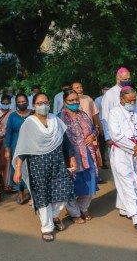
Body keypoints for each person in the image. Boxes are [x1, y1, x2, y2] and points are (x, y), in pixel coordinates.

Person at [12, 93, 75, 242]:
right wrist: (18, 169)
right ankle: (47, 227)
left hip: (58, 163)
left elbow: (66, 141)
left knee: (65, 188)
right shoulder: (29, 123)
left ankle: (53, 216)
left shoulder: (55, 120)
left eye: (46, 102)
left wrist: (71, 158)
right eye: (40, 103)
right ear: (34, 105)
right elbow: (22, 148)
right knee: (43, 195)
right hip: (38, 165)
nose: (44, 106)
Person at [108, 86, 137, 231]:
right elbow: (116, 136)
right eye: (130, 100)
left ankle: (123, 208)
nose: (132, 103)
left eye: (134, 100)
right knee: (129, 182)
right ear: (122, 99)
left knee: (132, 179)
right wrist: (133, 147)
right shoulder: (114, 113)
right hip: (122, 151)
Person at [59, 90, 98, 224]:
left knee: (90, 182)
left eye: (76, 100)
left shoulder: (84, 115)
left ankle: (83, 207)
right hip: (70, 156)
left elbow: (94, 129)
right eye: (71, 100)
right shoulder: (60, 118)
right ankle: (74, 212)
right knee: (70, 185)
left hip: (87, 154)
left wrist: (93, 135)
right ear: (65, 102)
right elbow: (60, 140)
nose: (75, 102)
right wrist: (68, 157)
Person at [101, 67, 137, 147]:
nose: (127, 81)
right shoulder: (110, 94)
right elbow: (105, 116)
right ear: (118, 78)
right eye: (125, 79)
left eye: (129, 79)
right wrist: (108, 137)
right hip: (118, 135)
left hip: (134, 132)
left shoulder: (132, 92)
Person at [72, 81, 104, 181]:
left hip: (91, 132)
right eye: (77, 88)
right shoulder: (71, 102)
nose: (80, 89)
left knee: (95, 152)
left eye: (81, 87)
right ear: (72, 90)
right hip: (77, 135)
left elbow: (94, 114)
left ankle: (96, 175)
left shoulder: (88, 99)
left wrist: (98, 127)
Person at [4, 94, 32, 203]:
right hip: (16, 146)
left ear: (27, 102)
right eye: (19, 102)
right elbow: (9, 133)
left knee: (31, 168)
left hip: (32, 146)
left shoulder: (33, 114)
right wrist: (7, 149)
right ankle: (20, 191)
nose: (21, 103)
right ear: (16, 103)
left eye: (23, 101)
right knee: (18, 169)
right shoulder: (12, 116)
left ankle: (32, 192)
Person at [0, 95, 13, 187]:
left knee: (10, 161)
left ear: (10, 103)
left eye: (7, 103)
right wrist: (0, 132)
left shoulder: (13, 113)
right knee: (2, 162)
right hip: (0, 140)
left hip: (10, 139)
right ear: (0, 103)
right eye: (3, 103)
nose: (5, 105)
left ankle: (8, 183)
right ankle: (2, 177)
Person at [94, 83, 111, 168]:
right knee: (102, 145)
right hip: (102, 124)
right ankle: (103, 162)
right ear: (102, 90)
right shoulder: (98, 100)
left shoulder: (113, 99)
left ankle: (113, 161)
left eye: (108, 89)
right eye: (105, 89)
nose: (106, 91)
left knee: (112, 143)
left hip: (112, 124)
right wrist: (99, 126)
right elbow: (96, 114)